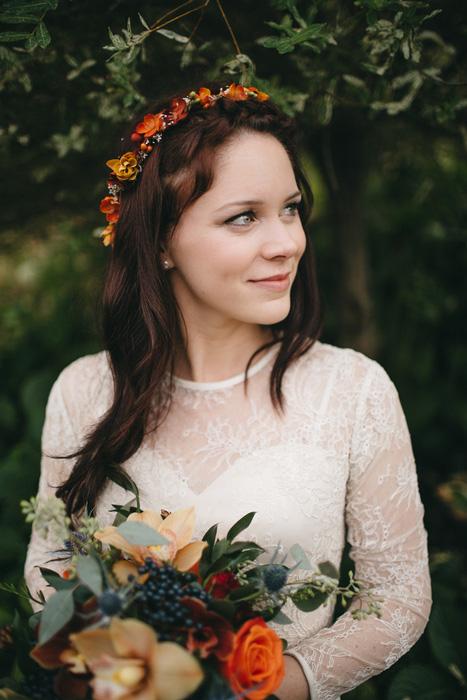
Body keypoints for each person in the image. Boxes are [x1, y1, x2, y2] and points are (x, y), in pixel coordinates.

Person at [24, 82, 431, 700]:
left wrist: (262, 687)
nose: (287, 242)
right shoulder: (84, 391)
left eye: (290, 208)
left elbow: (398, 597)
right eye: (244, 217)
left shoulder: (351, 391)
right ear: (161, 242)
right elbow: (49, 564)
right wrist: (114, 675)